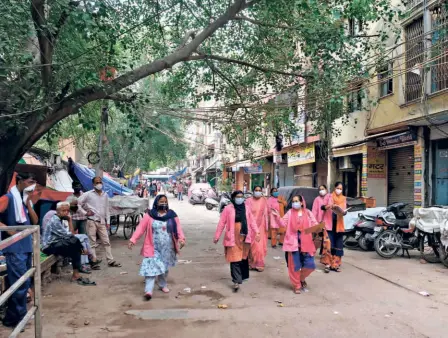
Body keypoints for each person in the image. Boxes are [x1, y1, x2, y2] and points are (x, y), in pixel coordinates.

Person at [0, 173, 39, 329]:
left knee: (22, 282)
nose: (33, 185)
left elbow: (35, 221)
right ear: (21, 181)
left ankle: (11, 318)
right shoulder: (8, 198)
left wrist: (29, 203)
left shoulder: (22, 201)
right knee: (20, 284)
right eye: (31, 182)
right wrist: (8, 230)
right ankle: (20, 319)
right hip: (15, 248)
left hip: (26, 246)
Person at [128, 194, 185, 300]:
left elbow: (178, 229)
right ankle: (148, 290)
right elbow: (140, 228)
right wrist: (133, 239)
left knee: (164, 267)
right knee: (151, 267)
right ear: (156, 203)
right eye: (161, 202)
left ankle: (162, 284)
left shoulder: (172, 215)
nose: (163, 204)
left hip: (168, 247)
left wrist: (181, 239)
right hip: (152, 246)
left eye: (165, 202)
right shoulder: (150, 215)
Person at [214, 191, 260, 291]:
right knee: (234, 258)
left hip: (244, 236)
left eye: (241, 197)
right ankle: (236, 281)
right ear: (233, 198)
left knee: (243, 257)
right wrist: (217, 236)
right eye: (237, 197)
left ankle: (242, 276)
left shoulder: (246, 208)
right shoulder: (228, 208)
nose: (240, 199)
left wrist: (257, 232)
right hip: (232, 237)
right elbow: (222, 223)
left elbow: (251, 221)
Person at [42, 202, 96, 285]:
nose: (66, 212)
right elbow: (71, 235)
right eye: (63, 210)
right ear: (57, 211)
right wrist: (70, 220)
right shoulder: (55, 221)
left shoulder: (59, 219)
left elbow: (69, 235)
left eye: (67, 210)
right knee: (74, 241)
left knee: (75, 249)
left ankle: (76, 274)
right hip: (49, 247)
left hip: (57, 243)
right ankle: (83, 253)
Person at [78, 176, 122, 268]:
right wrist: (85, 213)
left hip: (101, 221)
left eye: (100, 182)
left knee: (106, 241)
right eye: (97, 182)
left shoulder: (105, 195)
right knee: (92, 242)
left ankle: (110, 260)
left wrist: (108, 221)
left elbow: (107, 208)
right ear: (93, 184)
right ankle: (93, 261)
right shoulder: (88, 194)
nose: (99, 184)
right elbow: (77, 203)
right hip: (91, 221)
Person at [281, 195, 320, 294]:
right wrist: (276, 216)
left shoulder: (308, 213)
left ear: (302, 202)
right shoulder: (289, 213)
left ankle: (301, 279)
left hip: (306, 243)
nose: (295, 203)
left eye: (297, 201)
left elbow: (314, 225)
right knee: (295, 266)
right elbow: (282, 223)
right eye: (293, 201)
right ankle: (296, 285)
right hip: (293, 243)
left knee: (310, 265)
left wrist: (319, 227)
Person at [65, 195, 101, 270]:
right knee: (83, 240)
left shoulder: (69, 213)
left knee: (84, 238)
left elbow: (70, 232)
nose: (76, 206)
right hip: (63, 236)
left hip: (68, 234)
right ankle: (88, 261)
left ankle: (89, 260)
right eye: (74, 205)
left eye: (76, 204)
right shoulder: (66, 214)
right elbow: (68, 231)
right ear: (68, 204)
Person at [245, 186, 268, 272]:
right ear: (253, 191)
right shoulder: (248, 201)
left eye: (259, 190)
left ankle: (259, 263)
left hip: (261, 227)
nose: (258, 192)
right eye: (256, 190)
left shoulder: (265, 201)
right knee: (251, 245)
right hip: (251, 226)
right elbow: (246, 214)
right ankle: (252, 262)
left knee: (259, 246)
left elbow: (268, 213)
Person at [312, 185, 333, 273]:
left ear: (326, 190)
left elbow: (331, 206)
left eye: (323, 189)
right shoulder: (317, 199)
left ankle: (327, 263)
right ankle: (307, 260)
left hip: (327, 224)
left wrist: (327, 206)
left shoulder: (330, 197)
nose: (321, 191)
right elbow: (314, 212)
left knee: (327, 244)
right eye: (320, 190)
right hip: (318, 224)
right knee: (315, 243)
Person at [328, 182, 347, 272]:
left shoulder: (343, 198)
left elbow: (344, 209)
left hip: (339, 223)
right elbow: (328, 206)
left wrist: (344, 212)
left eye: (341, 189)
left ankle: (336, 263)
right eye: (338, 188)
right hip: (330, 223)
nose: (339, 190)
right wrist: (332, 206)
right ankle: (331, 263)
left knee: (339, 243)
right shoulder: (330, 196)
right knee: (331, 244)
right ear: (335, 188)